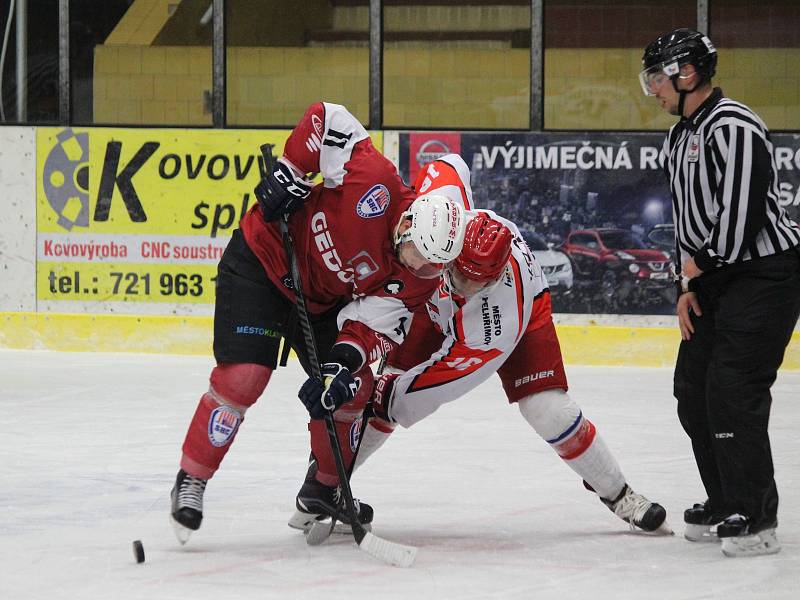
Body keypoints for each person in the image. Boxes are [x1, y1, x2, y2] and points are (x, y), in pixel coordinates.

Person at [169, 101, 467, 543]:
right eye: (420, 256)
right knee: (245, 378)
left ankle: (324, 489)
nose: (423, 270)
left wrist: (341, 366)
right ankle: (192, 478)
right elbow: (328, 117)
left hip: (319, 303)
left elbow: (371, 325)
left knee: (355, 387)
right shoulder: (374, 179)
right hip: (263, 262)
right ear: (406, 224)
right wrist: (291, 169)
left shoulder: (419, 278)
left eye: (433, 265)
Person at [302, 206, 672, 535]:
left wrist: (389, 395)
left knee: (548, 410)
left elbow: (439, 385)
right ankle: (328, 484)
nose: (466, 287)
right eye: (461, 276)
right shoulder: (449, 230)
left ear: (495, 278)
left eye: (477, 283)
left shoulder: (496, 325)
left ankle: (620, 495)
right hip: (434, 307)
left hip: (519, 321)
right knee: (384, 385)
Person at [640, 28, 800, 556]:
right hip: (715, 279)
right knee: (693, 391)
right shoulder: (680, 135)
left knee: (733, 391)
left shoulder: (734, 126)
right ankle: (725, 498)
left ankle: (757, 517)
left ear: (687, 74)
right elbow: (688, 220)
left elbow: (742, 216)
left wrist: (698, 271)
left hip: (764, 276)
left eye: (656, 79)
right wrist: (687, 286)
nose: (653, 90)